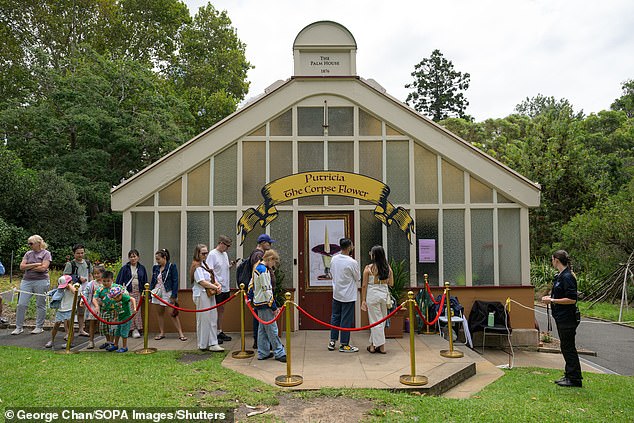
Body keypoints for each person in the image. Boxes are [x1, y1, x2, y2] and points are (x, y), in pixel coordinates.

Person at [542, 250, 583, 388]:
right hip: (561, 317)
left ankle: (575, 378)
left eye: (552, 260)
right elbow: (559, 295)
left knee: (568, 347)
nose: (552, 262)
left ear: (556, 260)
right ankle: (569, 374)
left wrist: (552, 300)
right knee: (565, 346)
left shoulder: (567, 277)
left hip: (568, 318)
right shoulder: (560, 276)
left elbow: (571, 299)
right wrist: (551, 298)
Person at [250, 249, 286, 362]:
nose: (273, 265)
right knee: (272, 329)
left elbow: (251, 285)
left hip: (259, 302)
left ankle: (263, 352)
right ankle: (279, 352)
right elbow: (267, 290)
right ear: (270, 259)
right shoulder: (264, 270)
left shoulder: (257, 268)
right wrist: (274, 307)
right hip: (265, 303)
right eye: (274, 262)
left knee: (262, 329)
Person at [13, 235, 51, 335]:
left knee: (40, 304)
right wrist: (36, 264)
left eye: (31, 243)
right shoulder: (28, 254)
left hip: (41, 281)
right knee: (21, 304)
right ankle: (18, 327)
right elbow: (22, 266)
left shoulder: (46, 253)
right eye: (28, 243)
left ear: (38, 243)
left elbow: (43, 268)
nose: (29, 245)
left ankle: (39, 327)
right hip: (27, 281)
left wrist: (28, 267)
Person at [328, 238, 361, 353]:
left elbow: (331, 272)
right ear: (349, 247)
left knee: (335, 316)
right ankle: (344, 344)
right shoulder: (352, 262)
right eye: (352, 245)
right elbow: (358, 277)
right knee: (346, 319)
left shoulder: (334, 259)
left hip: (336, 292)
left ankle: (332, 341)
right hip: (348, 295)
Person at [360, 245, 394, 354]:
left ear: (374, 255)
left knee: (375, 322)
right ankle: (372, 345)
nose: (370, 254)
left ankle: (382, 346)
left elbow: (364, 285)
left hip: (372, 295)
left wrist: (363, 300)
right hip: (384, 295)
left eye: (371, 252)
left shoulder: (368, 268)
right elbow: (391, 283)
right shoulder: (387, 268)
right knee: (381, 321)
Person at [192, 244, 224, 352]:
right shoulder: (196, 266)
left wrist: (217, 284)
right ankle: (203, 344)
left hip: (209, 294)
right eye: (203, 253)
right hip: (201, 294)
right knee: (203, 319)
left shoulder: (204, 264)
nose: (205, 255)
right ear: (198, 254)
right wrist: (215, 286)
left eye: (206, 253)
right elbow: (201, 281)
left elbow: (210, 279)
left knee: (212, 317)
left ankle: (212, 342)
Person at [150, 248, 186, 341]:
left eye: (158, 259)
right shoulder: (155, 268)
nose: (157, 261)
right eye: (156, 259)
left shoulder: (172, 266)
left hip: (167, 291)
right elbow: (153, 281)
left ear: (164, 257)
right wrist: (150, 292)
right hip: (157, 291)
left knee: (172, 313)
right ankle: (162, 332)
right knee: (160, 313)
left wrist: (174, 295)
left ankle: (180, 333)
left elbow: (175, 281)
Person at [206, 235, 235, 344]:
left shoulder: (225, 254)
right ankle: (213, 333)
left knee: (221, 309)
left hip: (225, 286)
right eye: (227, 246)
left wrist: (230, 265)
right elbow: (210, 271)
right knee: (214, 309)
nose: (228, 248)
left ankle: (219, 330)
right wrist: (214, 284)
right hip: (217, 287)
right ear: (221, 243)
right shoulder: (212, 254)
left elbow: (223, 267)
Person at [249, 234, 275, 349]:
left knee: (261, 325)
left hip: (261, 296)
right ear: (263, 243)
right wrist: (273, 304)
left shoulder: (258, 255)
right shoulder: (258, 257)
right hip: (263, 297)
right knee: (264, 324)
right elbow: (261, 282)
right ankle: (271, 347)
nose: (270, 245)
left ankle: (262, 347)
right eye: (269, 243)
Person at [115, 249, 148, 338]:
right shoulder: (124, 268)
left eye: (134, 256)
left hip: (138, 292)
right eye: (131, 257)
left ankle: (136, 329)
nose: (133, 258)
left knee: (136, 310)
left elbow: (145, 281)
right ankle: (129, 329)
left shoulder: (142, 268)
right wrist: (118, 293)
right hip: (127, 292)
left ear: (138, 257)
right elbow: (119, 281)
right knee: (128, 310)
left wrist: (145, 293)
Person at [63, 244, 94, 337]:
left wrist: (92, 285)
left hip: (84, 291)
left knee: (81, 311)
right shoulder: (70, 264)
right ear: (74, 254)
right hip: (73, 291)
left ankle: (81, 329)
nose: (80, 255)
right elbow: (65, 277)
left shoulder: (87, 263)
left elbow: (90, 275)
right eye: (78, 253)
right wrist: (77, 278)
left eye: (82, 253)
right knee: (69, 312)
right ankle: (68, 332)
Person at [45, 275, 77, 348]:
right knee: (56, 325)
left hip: (69, 310)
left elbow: (75, 292)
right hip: (61, 309)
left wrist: (69, 285)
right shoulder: (60, 290)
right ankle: (52, 340)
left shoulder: (75, 287)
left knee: (70, 326)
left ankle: (70, 342)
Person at [93, 270, 121, 350]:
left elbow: (124, 295)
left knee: (113, 328)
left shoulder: (117, 287)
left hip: (114, 311)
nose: (106, 283)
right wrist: (97, 306)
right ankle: (108, 341)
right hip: (104, 310)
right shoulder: (100, 289)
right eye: (104, 281)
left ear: (112, 280)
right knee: (104, 327)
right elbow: (94, 298)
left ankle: (112, 343)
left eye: (108, 281)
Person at [108, 285, 137, 353]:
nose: (117, 299)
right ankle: (115, 345)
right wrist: (115, 317)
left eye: (118, 296)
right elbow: (116, 309)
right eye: (115, 298)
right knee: (117, 332)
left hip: (126, 318)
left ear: (121, 294)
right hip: (119, 319)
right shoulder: (114, 301)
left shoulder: (124, 297)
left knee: (124, 333)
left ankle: (124, 347)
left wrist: (135, 308)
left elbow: (132, 299)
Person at [83, 265, 105, 349]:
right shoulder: (91, 283)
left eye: (98, 273)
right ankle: (91, 341)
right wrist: (83, 300)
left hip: (103, 305)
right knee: (92, 322)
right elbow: (86, 292)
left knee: (103, 324)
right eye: (95, 273)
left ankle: (107, 341)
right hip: (93, 305)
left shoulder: (105, 282)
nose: (96, 275)